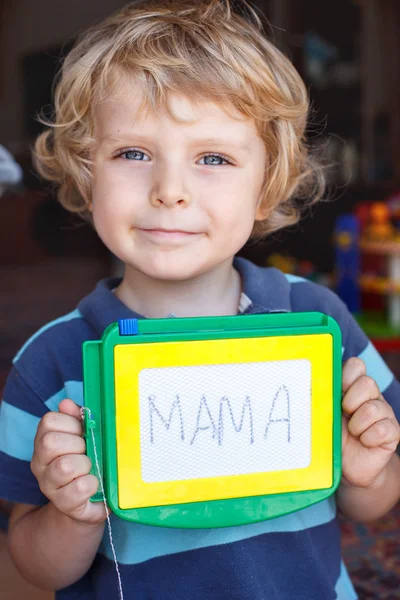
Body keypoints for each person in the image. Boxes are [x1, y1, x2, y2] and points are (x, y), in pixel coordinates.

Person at [1, 1, 400, 598]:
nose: (169, 192)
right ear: (88, 174)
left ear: (267, 186)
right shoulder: (51, 362)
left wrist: (366, 471)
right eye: (132, 153)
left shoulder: (320, 324)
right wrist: (70, 513)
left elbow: (373, 500)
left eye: (212, 158)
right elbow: (33, 565)